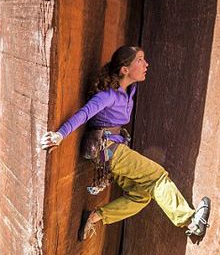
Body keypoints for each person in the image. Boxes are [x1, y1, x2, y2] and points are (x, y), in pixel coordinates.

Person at [41, 45, 210, 240]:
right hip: (108, 150)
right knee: (156, 177)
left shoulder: (130, 92)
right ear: (125, 69)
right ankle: (190, 221)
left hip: (113, 152)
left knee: (141, 195)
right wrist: (59, 135)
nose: (146, 64)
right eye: (140, 59)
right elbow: (84, 113)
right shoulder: (108, 96)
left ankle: (94, 217)